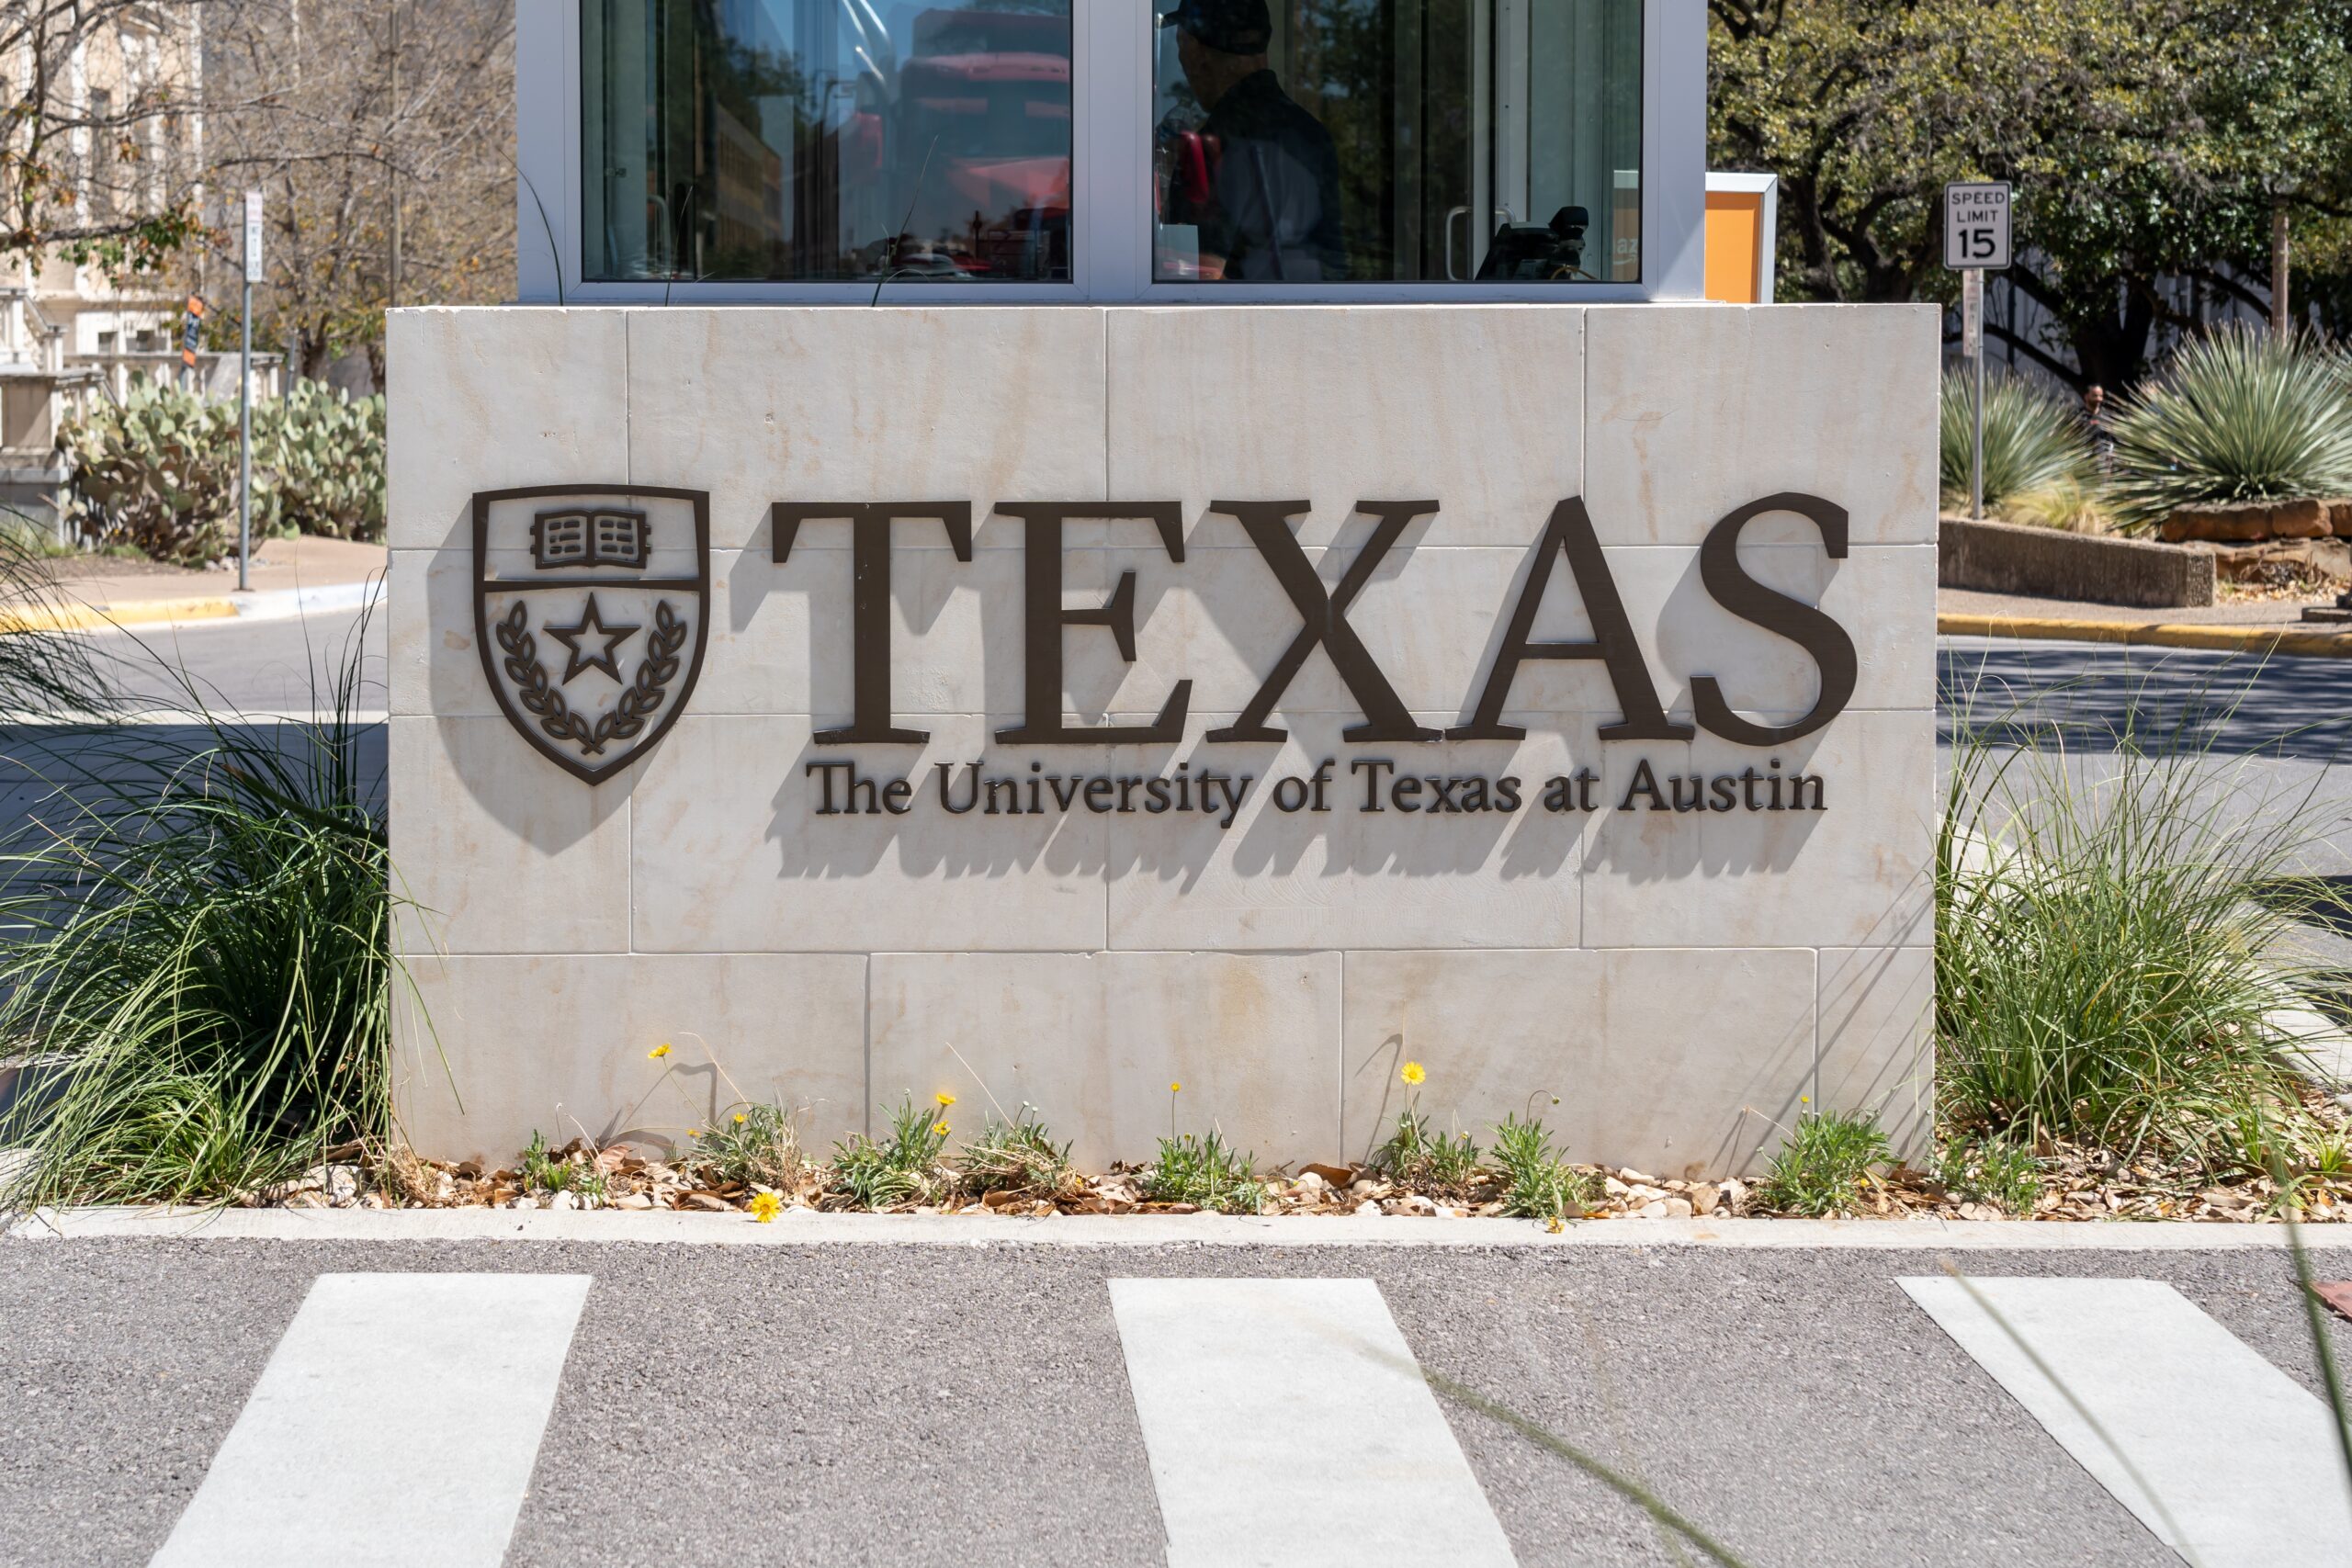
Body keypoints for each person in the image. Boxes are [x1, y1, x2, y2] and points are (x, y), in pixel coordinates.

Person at [1158, 0, 1345, 281]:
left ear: (1194, 50)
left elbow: (1200, 275)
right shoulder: (1313, 135)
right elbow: (1334, 264)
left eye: (1181, 44)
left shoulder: (1213, 145)